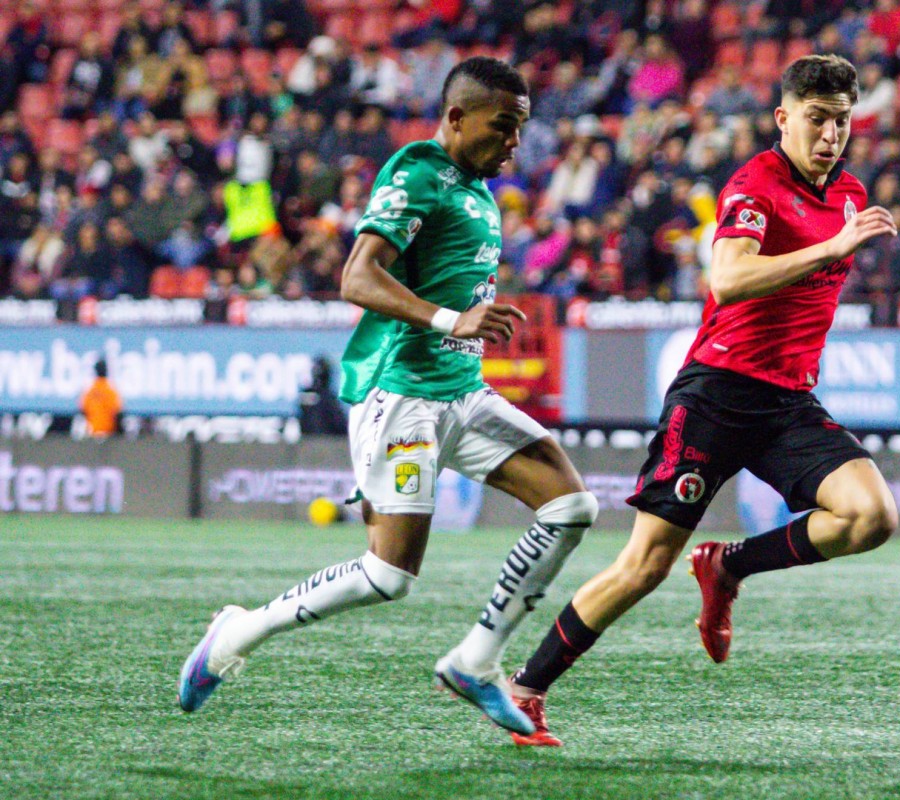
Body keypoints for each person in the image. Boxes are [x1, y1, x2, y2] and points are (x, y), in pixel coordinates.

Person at [178, 58, 599, 738]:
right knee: (389, 575)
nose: (514, 144)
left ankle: (475, 661)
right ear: (457, 118)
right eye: (503, 128)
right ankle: (239, 630)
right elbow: (357, 277)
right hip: (403, 395)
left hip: (462, 394)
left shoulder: (478, 190)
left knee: (571, 504)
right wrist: (447, 319)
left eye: (521, 130)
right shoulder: (417, 172)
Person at [506, 55, 900, 746]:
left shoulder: (850, 194)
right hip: (717, 392)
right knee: (644, 567)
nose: (831, 135)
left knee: (871, 517)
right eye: (816, 119)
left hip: (787, 403)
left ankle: (730, 566)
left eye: (841, 121)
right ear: (784, 118)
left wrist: (839, 234)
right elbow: (729, 275)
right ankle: (526, 688)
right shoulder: (756, 185)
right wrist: (834, 245)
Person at [79, 359, 122, 438]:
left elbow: (83, 410)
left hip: (93, 432)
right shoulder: (110, 390)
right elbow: (117, 412)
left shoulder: (90, 390)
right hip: (109, 433)